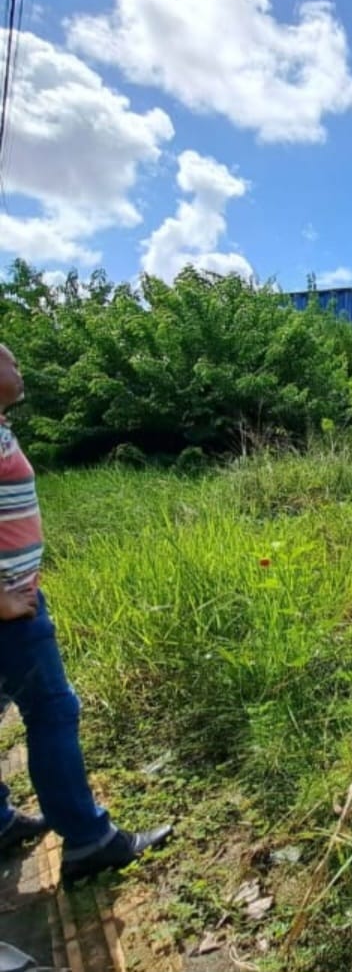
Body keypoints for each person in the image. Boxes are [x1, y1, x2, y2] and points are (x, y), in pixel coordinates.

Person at [0, 344, 171, 888]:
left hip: (16, 599)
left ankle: (0, 823)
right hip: (10, 613)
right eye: (8, 360)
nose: (18, 367)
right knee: (52, 711)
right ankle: (90, 841)